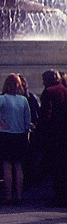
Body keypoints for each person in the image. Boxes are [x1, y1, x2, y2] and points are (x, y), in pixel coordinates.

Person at [0, 73, 31, 204]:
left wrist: (0, 121)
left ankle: (8, 196)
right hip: (20, 135)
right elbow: (27, 119)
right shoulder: (23, 100)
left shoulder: (3, 98)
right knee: (18, 166)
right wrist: (26, 132)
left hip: (6, 135)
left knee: (7, 167)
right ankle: (19, 195)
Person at [37, 69, 67, 206]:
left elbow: (45, 116)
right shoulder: (65, 90)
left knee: (56, 168)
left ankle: (60, 197)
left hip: (54, 136)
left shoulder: (48, 92)